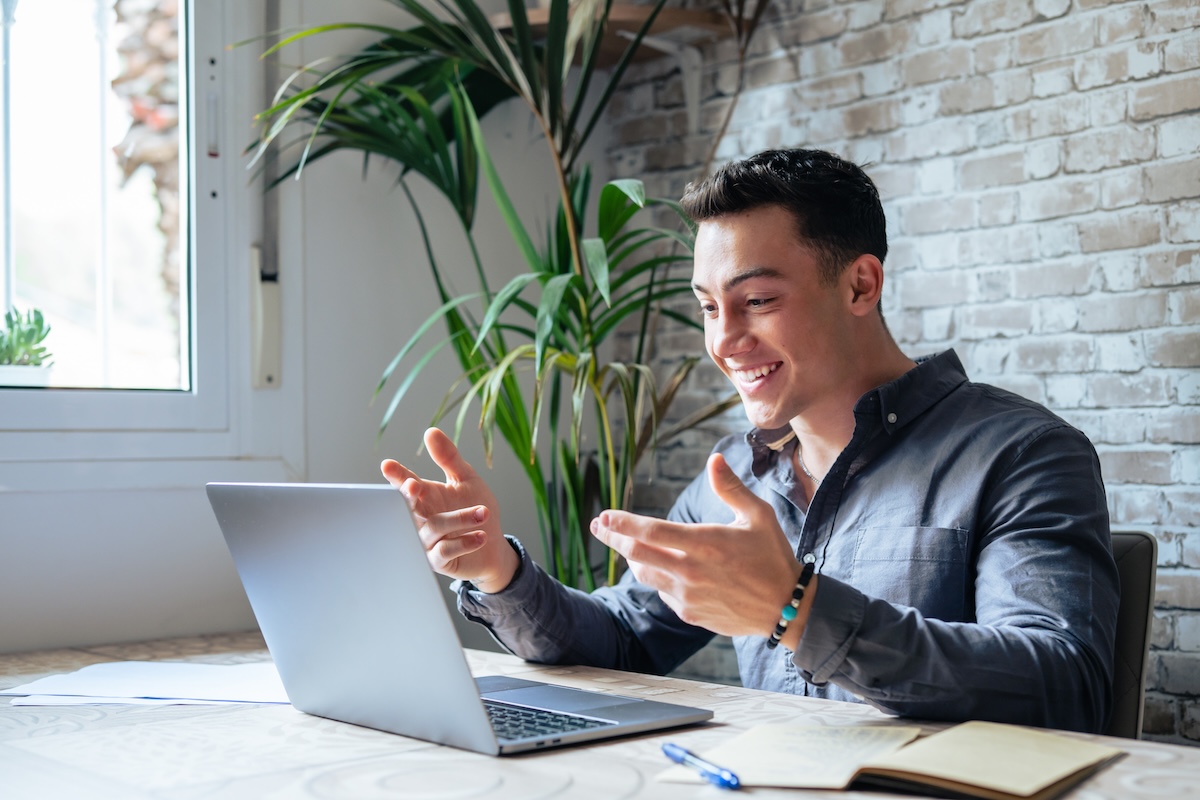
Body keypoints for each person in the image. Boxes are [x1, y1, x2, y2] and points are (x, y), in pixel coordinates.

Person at [382, 148, 1119, 734]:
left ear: (861, 285)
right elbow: (623, 642)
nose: (725, 341)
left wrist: (797, 608)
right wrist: (498, 571)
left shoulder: (1021, 453)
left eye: (758, 301)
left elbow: (1062, 685)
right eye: (709, 307)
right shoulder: (735, 475)